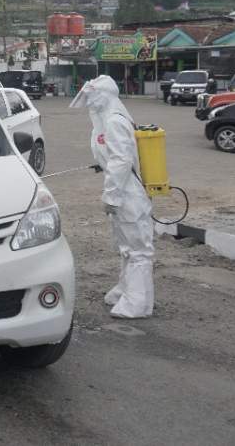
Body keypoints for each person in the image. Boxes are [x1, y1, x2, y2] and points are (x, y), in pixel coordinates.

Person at [70, 75, 155, 319]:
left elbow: (121, 160)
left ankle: (137, 303)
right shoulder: (108, 118)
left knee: (138, 249)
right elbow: (114, 155)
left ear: (103, 95)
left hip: (128, 194)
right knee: (127, 246)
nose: (89, 103)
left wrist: (111, 195)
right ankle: (126, 291)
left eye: (92, 97)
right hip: (123, 192)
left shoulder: (114, 121)